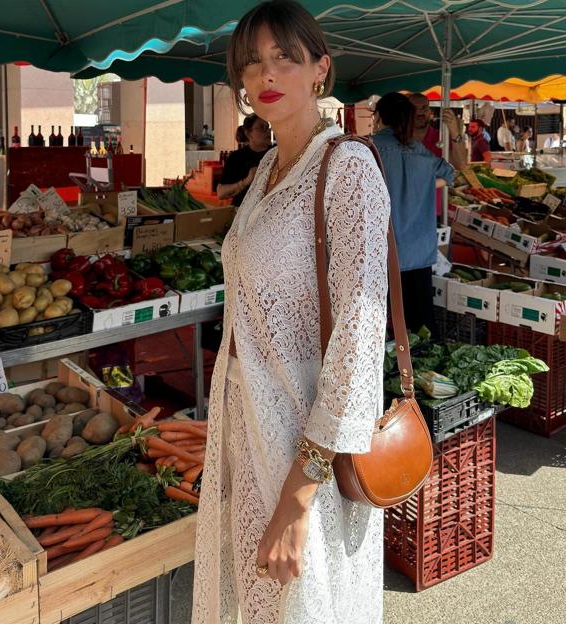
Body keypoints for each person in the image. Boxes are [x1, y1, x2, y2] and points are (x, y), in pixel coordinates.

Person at [192, 1, 391, 623]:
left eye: (285, 57)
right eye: (252, 64)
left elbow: (359, 339)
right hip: (246, 437)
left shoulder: (348, 170)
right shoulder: (264, 175)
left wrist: (299, 496)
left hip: (305, 458)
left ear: (320, 70)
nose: (266, 75)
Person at [373, 92, 454, 334]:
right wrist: (424, 184)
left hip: (383, 250)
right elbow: (449, 175)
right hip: (418, 249)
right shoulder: (417, 149)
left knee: (385, 326)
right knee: (421, 326)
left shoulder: (369, 147)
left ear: (379, 116)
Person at [217, 113, 272, 206]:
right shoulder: (236, 157)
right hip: (242, 209)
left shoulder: (277, 153)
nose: (267, 131)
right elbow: (221, 193)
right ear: (248, 133)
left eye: (268, 127)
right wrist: (245, 182)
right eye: (262, 127)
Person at [408, 93, 467, 170]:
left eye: (424, 108)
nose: (420, 112)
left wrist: (454, 130)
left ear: (430, 112)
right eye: (414, 108)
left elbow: (461, 165)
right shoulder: (398, 138)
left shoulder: (442, 138)